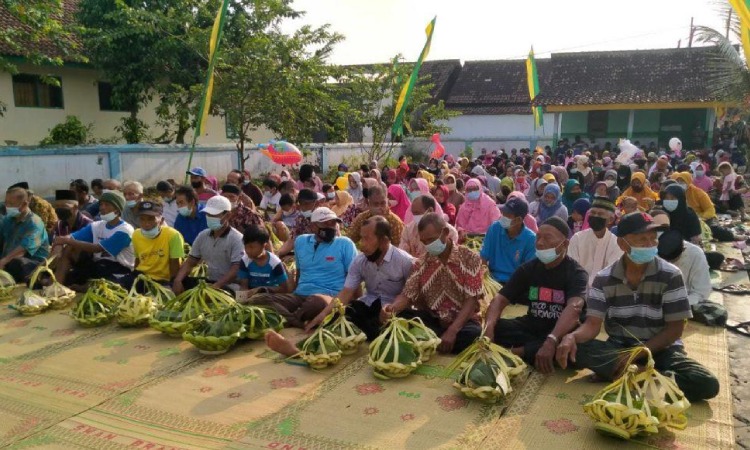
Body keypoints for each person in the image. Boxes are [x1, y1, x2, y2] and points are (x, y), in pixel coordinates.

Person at [555, 212, 720, 402]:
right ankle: (648, 378)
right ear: (623, 244)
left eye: (653, 239)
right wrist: (571, 336)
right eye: (642, 239)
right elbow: (592, 325)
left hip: (661, 349)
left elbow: (675, 329)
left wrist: (640, 353)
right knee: (576, 347)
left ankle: (631, 375)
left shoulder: (671, 275)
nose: (650, 245)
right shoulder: (604, 278)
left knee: (707, 383)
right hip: (619, 348)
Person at [484, 217, 588, 373]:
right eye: (538, 237)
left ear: (565, 244)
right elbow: (500, 299)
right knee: (481, 332)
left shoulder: (576, 273)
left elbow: (574, 309)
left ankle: (514, 353)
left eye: (547, 238)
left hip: (560, 333)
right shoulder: (529, 268)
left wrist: (552, 340)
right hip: (531, 328)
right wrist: (489, 327)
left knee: (577, 348)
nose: (539, 243)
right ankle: (526, 352)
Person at [299, 215, 415, 341]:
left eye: (366, 239)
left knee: (408, 323)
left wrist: (392, 308)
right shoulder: (360, 261)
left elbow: (407, 296)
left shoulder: (405, 262)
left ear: (384, 241)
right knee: (343, 315)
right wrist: (322, 316)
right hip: (369, 306)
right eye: (361, 238)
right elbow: (346, 292)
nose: (361, 244)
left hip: (394, 309)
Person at [382, 213, 483, 354]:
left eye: (431, 240)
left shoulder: (470, 258)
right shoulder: (421, 263)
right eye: (424, 242)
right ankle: (435, 341)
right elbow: (407, 294)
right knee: (400, 318)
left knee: (474, 334)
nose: (428, 245)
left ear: (445, 233)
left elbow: (471, 300)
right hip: (434, 320)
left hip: (462, 323)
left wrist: (453, 330)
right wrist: (392, 308)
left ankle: (429, 342)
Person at [247, 207, 357, 328]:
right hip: (300, 295)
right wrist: (294, 292)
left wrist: (355, 301)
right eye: (326, 223)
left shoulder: (344, 244)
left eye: (333, 223)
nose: (330, 227)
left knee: (315, 303)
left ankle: (289, 318)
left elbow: (353, 277)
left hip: (328, 297)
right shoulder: (301, 241)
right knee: (260, 299)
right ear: (313, 226)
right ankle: (298, 321)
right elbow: (299, 273)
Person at [53, 191, 134, 287]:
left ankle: (85, 287)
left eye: (107, 205)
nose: (102, 208)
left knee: (107, 287)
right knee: (71, 273)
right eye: (101, 205)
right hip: (98, 265)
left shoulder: (125, 230)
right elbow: (72, 236)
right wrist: (60, 243)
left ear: (117, 209)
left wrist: (66, 240)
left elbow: (97, 248)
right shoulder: (97, 225)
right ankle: (56, 287)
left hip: (119, 268)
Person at [172, 196, 244, 295]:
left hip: (229, 285)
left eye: (214, 215)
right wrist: (178, 280)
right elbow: (190, 261)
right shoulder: (203, 235)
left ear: (227, 215)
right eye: (208, 214)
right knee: (180, 281)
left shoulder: (237, 239)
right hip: (210, 282)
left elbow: (236, 269)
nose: (210, 217)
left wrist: (216, 286)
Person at [658, 227, 724, 326]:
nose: (668, 264)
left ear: (684, 249)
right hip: (655, 300)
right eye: (665, 261)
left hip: (683, 300)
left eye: (672, 261)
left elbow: (701, 292)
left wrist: (674, 304)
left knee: (719, 314)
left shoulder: (696, 254)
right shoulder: (653, 249)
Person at [124, 200, 184, 288]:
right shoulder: (136, 234)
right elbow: (138, 259)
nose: (146, 224)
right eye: (142, 219)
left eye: (151, 219)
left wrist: (173, 283)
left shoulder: (173, 235)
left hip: (163, 280)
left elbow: (175, 263)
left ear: (161, 220)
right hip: (142, 275)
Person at [567, 197, 623, 288]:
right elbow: (572, 269)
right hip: (578, 290)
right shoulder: (577, 239)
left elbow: (612, 274)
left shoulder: (616, 244)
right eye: (593, 213)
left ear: (611, 220)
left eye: (600, 214)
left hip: (604, 294)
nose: (595, 216)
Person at [480, 198, 536, 284]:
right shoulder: (494, 228)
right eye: (503, 213)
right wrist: (485, 279)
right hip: (492, 279)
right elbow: (483, 257)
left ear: (519, 220)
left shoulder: (531, 239)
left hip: (515, 283)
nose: (503, 217)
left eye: (507, 215)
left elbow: (527, 272)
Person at [0, 187, 50, 282]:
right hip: (7, 261)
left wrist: (4, 261)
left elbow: (22, 251)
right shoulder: (8, 220)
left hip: (31, 264)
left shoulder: (35, 223)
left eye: (11, 204)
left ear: (24, 205)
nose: (7, 206)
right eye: (6, 203)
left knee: (16, 262)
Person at [238, 225, 290, 294]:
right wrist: (242, 298)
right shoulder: (245, 261)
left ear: (264, 245)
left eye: (252, 247)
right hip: (251, 297)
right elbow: (244, 286)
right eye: (246, 247)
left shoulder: (275, 262)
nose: (248, 251)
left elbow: (284, 289)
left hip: (271, 297)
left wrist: (261, 289)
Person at [276, 189, 318, 257]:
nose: (303, 207)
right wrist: (278, 254)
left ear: (316, 203)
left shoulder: (324, 218)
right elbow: (292, 240)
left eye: (306, 204)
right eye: (301, 204)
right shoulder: (300, 219)